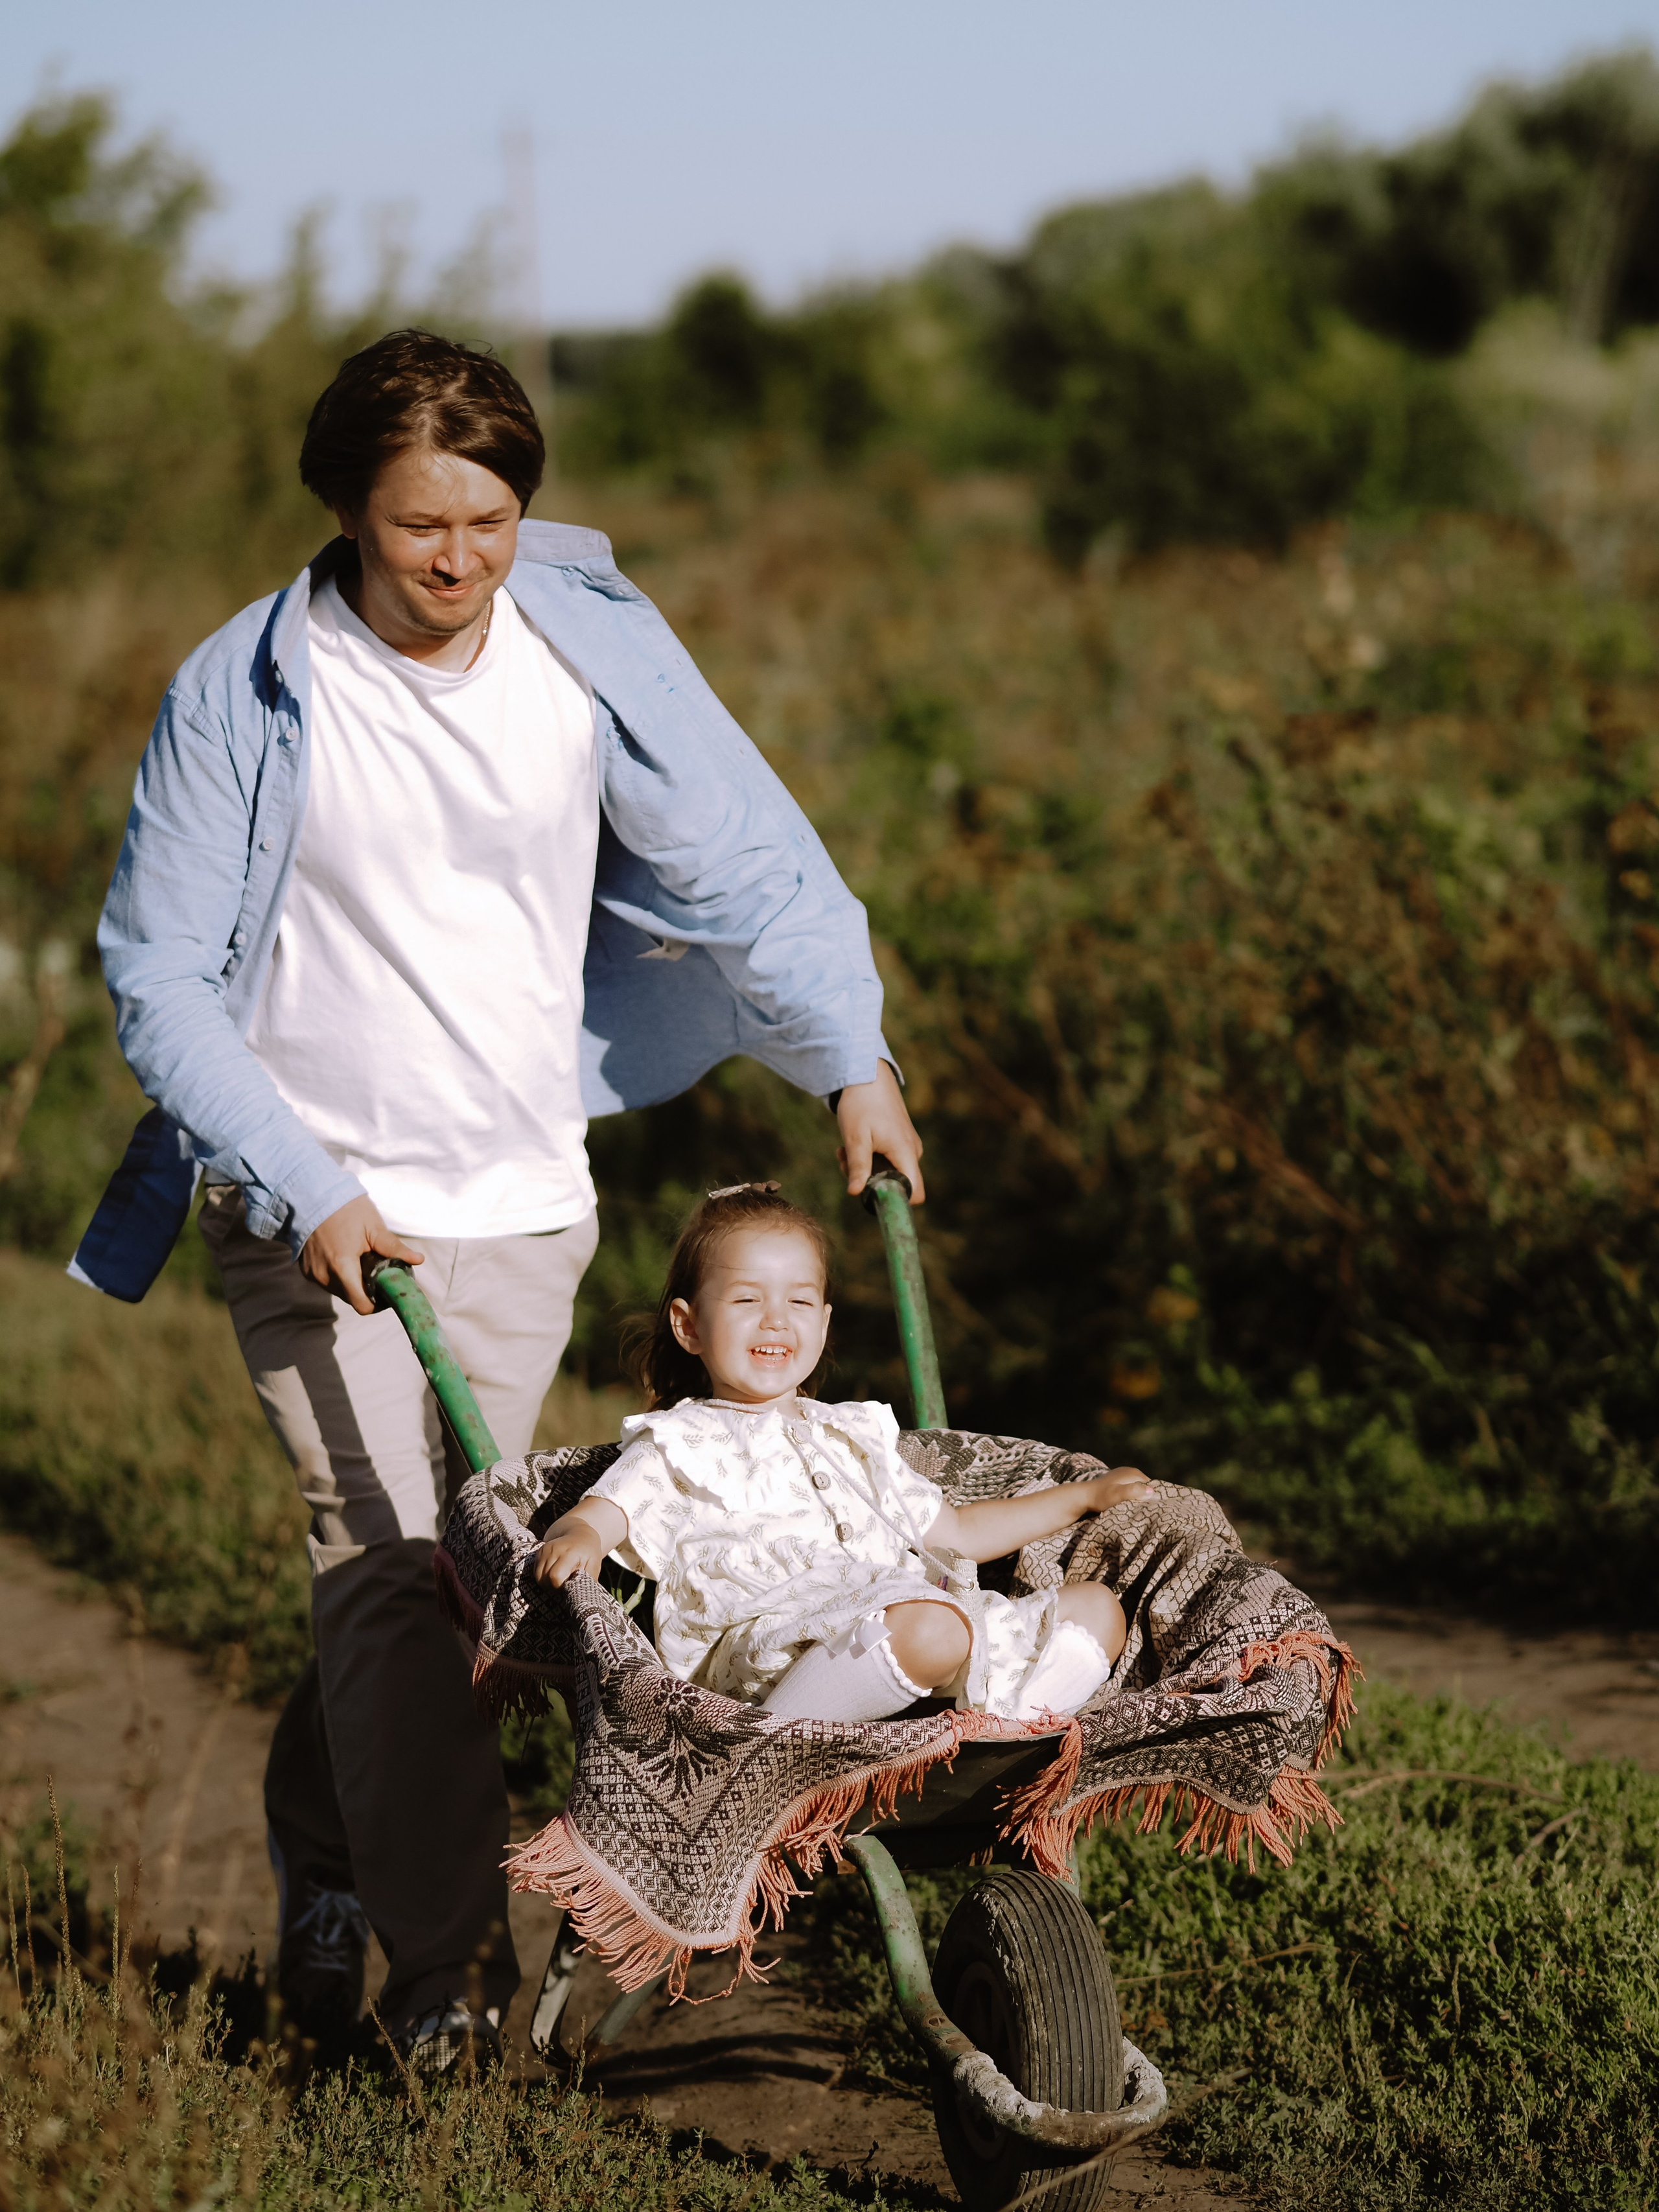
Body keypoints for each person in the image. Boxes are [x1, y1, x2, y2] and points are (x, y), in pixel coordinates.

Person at [70, 332, 923, 2072]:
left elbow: (750, 850)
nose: (456, 557)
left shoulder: (586, 643)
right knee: (395, 1574)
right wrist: (302, 1174)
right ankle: (442, 1979)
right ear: (343, 512)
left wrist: (852, 1052)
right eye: (416, 525)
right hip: (316, 1202)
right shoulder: (244, 686)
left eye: (489, 517)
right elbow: (152, 972)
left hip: (525, 1196)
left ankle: (326, 1840)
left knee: (469, 1592)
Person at [535, 1184, 1150, 1721]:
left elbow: (956, 1531)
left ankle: (1002, 1726)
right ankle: (772, 1760)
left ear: (824, 1324)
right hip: (771, 1655)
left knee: (1096, 1611)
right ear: (688, 1325)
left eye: (798, 1302)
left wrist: (1083, 1496)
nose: (776, 1320)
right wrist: (582, 1539)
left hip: (904, 1623)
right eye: (748, 1300)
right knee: (935, 1627)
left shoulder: (853, 1434)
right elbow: (602, 1512)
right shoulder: (680, 1439)